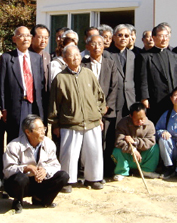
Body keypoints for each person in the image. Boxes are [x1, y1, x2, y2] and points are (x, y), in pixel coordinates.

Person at [49, 45, 106, 192]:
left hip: (92, 121)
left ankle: (94, 178)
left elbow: (99, 96)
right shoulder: (60, 78)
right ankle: (67, 180)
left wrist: (98, 115)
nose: (76, 58)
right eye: (71, 56)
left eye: (77, 55)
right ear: (65, 59)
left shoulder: (89, 74)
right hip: (70, 122)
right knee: (69, 154)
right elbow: (54, 103)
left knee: (94, 152)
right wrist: (55, 124)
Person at [3, 115, 69, 213]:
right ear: (28, 132)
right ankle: (18, 201)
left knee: (63, 176)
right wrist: (26, 168)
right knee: (21, 179)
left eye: (44, 128)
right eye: (39, 129)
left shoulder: (49, 143)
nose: (43, 132)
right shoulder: (14, 146)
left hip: (39, 181)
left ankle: (41, 199)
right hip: (23, 183)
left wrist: (45, 170)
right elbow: (8, 170)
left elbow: (55, 165)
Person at [0, 26, 44, 142]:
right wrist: (3, 108)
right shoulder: (7, 58)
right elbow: (1, 85)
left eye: (28, 36)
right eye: (22, 36)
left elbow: (41, 84)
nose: (26, 39)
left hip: (34, 104)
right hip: (16, 105)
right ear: (14, 39)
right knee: (16, 138)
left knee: (34, 136)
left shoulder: (37, 58)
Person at [81, 34, 119, 177]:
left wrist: (106, 107)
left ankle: (106, 170)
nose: (97, 47)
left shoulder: (110, 63)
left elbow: (114, 87)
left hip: (106, 111)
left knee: (106, 141)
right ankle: (88, 170)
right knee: (90, 142)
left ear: (104, 46)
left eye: (100, 44)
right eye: (93, 44)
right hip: (88, 111)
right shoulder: (83, 64)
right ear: (87, 47)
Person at [138, 24, 177, 124]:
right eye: (161, 36)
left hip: (173, 99)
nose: (164, 39)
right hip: (156, 99)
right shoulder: (145, 57)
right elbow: (143, 79)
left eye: (166, 36)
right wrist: (144, 98)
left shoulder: (174, 56)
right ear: (154, 38)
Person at [112, 103, 161, 181]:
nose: (140, 121)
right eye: (137, 119)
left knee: (154, 147)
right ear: (131, 116)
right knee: (117, 150)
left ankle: (147, 170)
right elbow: (119, 142)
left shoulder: (150, 125)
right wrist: (133, 150)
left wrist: (135, 142)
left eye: (142, 118)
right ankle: (122, 171)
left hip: (142, 156)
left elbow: (151, 141)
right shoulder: (123, 123)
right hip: (127, 155)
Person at [106, 24, 137, 119]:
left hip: (129, 100)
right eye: (120, 35)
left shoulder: (132, 55)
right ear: (114, 37)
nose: (123, 38)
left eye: (126, 36)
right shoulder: (106, 54)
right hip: (113, 100)